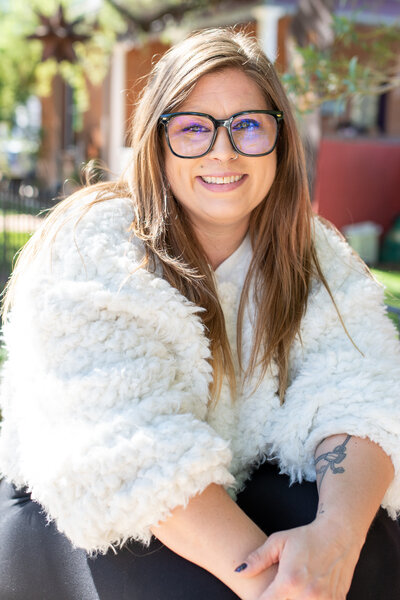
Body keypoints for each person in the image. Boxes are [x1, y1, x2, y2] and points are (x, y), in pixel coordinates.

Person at [0, 27, 399, 600]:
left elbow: (362, 390)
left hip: (234, 490)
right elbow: (130, 451)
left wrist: (335, 541)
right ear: (155, 144)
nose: (223, 151)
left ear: (280, 141)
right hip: (86, 521)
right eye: (192, 128)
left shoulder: (313, 256)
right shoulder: (97, 248)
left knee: (374, 541)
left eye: (248, 125)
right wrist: (276, 586)